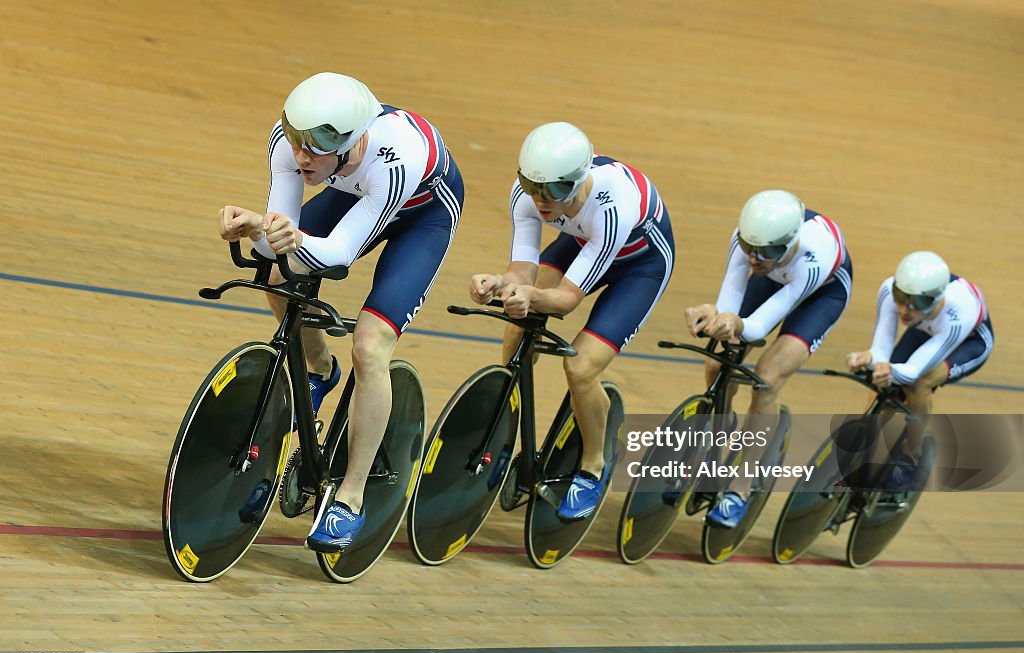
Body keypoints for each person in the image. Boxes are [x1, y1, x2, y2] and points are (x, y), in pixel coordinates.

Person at [218, 72, 463, 552]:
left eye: (316, 148)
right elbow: (278, 237)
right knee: (275, 268)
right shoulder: (288, 143)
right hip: (360, 192)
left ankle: (349, 496)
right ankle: (318, 367)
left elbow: (336, 256)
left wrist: (282, 238)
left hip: (424, 212)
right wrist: (254, 227)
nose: (302, 156)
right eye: (297, 143)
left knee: (370, 347)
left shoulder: (394, 159)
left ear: (351, 142)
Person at [470, 122, 675, 521]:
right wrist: (500, 283)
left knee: (580, 366)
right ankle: (506, 433)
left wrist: (530, 295)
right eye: (533, 187)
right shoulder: (530, 195)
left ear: (580, 179)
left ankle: (594, 466)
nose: (542, 201)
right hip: (583, 239)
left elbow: (565, 301)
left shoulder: (612, 203)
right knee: (517, 329)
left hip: (639, 265)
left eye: (556, 191)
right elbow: (521, 271)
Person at [684, 189, 853, 527]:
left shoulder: (813, 256)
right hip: (774, 279)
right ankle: (726, 422)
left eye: (770, 250)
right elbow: (730, 302)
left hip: (819, 295)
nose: (756, 257)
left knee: (767, 379)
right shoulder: (747, 240)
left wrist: (734, 322)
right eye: (750, 249)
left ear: (791, 242)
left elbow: (758, 326)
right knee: (717, 362)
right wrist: (717, 315)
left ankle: (742, 487)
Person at [845, 251, 993, 489]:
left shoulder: (958, 315)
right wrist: (869, 358)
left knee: (919, 384)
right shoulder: (891, 293)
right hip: (924, 326)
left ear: (936, 299)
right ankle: (864, 447)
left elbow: (912, 371)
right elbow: (881, 350)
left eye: (916, 304)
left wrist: (886, 369)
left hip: (969, 342)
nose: (904, 310)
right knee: (882, 391)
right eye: (901, 299)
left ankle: (910, 455)